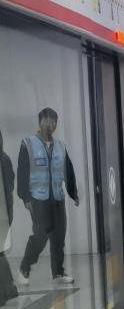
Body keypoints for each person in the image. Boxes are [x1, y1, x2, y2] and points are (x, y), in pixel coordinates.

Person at [17, 108, 79, 286]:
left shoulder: (60, 146)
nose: (50, 125)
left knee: (59, 236)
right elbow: (22, 172)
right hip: (38, 199)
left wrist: (73, 193)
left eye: (54, 121)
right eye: (47, 121)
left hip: (57, 198)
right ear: (40, 122)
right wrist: (25, 198)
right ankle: (24, 267)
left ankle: (57, 273)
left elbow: (68, 171)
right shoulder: (28, 144)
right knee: (41, 236)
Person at [0, 128, 16, 306]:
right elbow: (10, 184)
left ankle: (5, 291)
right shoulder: (4, 158)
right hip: (5, 214)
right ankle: (9, 288)